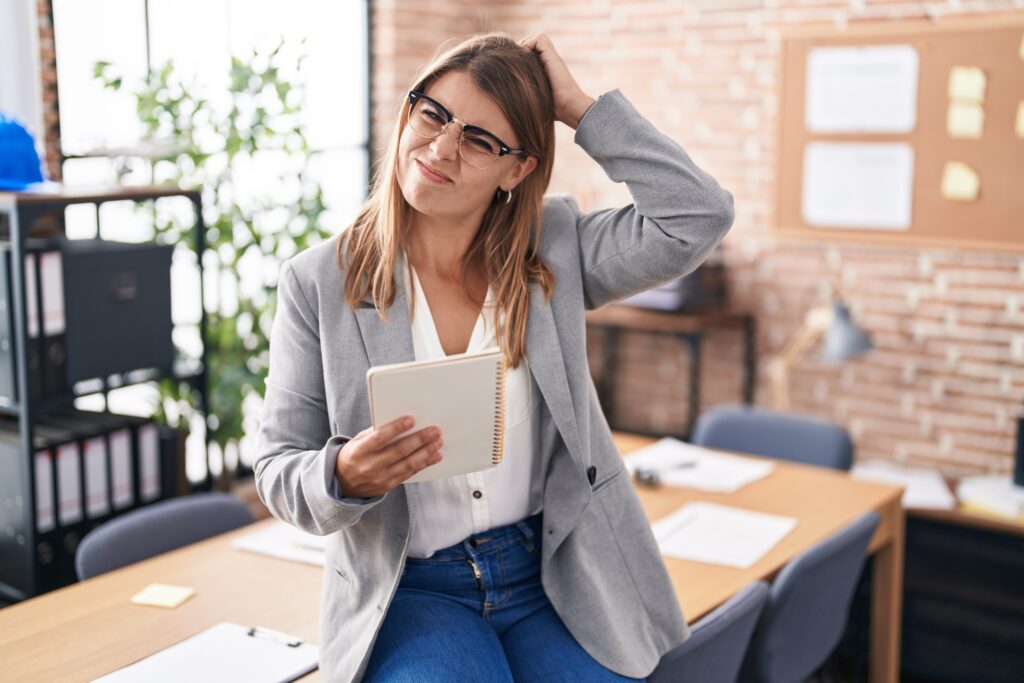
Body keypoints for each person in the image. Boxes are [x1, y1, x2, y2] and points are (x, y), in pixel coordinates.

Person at [255, 31, 734, 682]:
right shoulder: (319, 282)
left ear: (518, 169)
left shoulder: (554, 248)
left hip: (553, 568)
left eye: (480, 140)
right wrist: (344, 473)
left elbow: (697, 216)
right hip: (414, 589)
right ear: (409, 111)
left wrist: (581, 109)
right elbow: (278, 467)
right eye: (433, 115)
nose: (442, 148)